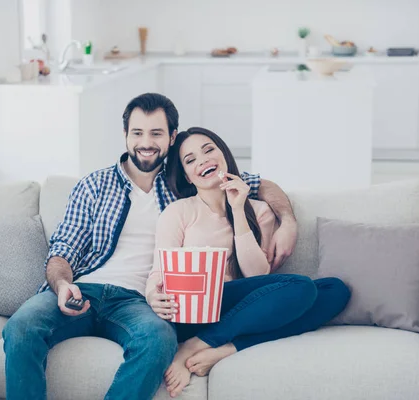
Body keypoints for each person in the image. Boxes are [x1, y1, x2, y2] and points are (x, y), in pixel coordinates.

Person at [2, 93, 298, 400]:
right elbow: (63, 249)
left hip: (141, 301)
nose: (146, 142)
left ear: (171, 137)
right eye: (137, 133)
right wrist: (62, 284)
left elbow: (257, 183)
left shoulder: (183, 182)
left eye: (156, 133)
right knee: (22, 327)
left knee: (158, 340)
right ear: (126, 136)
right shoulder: (95, 185)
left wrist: (287, 220)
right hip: (84, 289)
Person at [145, 127, 351, 398]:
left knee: (335, 290)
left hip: (244, 311)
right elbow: (159, 270)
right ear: (186, 175)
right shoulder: (178, 212)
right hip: (195, 309)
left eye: (209, 150)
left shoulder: (259, 210)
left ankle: (221, 348)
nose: (203, 160)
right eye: (191, 159)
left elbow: (255, 274)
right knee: (300, 286)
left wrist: (239, 210)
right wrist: (151, 294)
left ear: (224, 155)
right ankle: (199, 342)